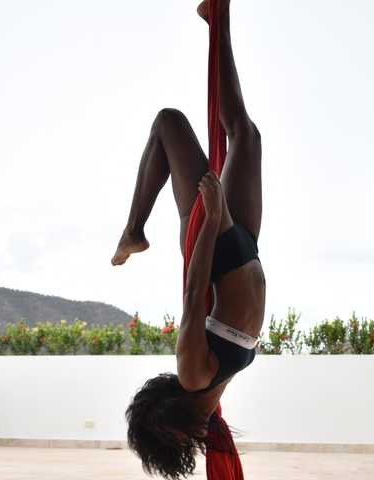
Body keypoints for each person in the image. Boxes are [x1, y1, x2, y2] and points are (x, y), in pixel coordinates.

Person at [113, 1, 264, 477]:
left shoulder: (192, 374)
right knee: (245, 133)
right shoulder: (209, 399)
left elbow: (195, 293)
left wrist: (213, 216)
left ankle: (133, 231)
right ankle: (216, 18)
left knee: (168, 122)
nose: (188, 442)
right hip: (244, 247)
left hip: (215, 246)